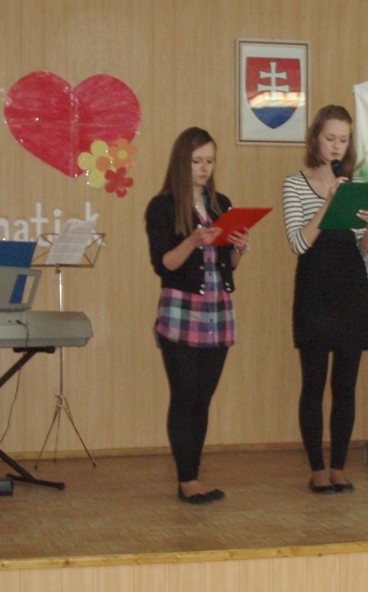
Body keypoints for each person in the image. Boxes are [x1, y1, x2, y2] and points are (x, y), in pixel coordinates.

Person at [145, 127, 250, 505]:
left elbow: (227, 265)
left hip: (218, 309)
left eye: (209, 161)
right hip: (181, 310)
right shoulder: (162, 206)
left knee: (203, 398)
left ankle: (195, 475)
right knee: (184, 395)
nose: (204, 168)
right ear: (181, 163)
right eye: (196, 161)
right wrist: (192, 240)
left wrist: (239, 248)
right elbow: (164, 264)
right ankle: (186, 479)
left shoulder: (221, 203)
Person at [282, 105, 368, 494]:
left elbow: (365, 249)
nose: (337, 146)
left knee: (345, 384)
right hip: (315, 285)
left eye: (344, 140)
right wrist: (328, 202)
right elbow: (299, 243)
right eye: (330, 138)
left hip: (350, 284)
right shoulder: (295, 183)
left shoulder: (356, 185)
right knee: (314, 381)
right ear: (315, 139)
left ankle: (338, 465)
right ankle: (317, 468)